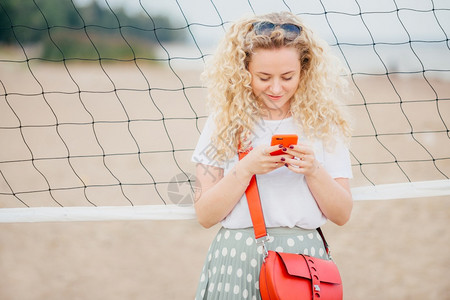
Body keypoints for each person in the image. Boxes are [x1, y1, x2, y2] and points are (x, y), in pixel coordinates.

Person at [191, 11, 353, 300]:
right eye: (264, 77)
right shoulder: (223, 122)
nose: (276, 88)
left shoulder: (324, 124)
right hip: (237, 257)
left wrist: (314, 170)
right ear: (244, 72)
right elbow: (205, 215)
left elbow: (341, 214)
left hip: (304, 262)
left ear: (305, 70)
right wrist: (245, 169)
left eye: (287, 77)